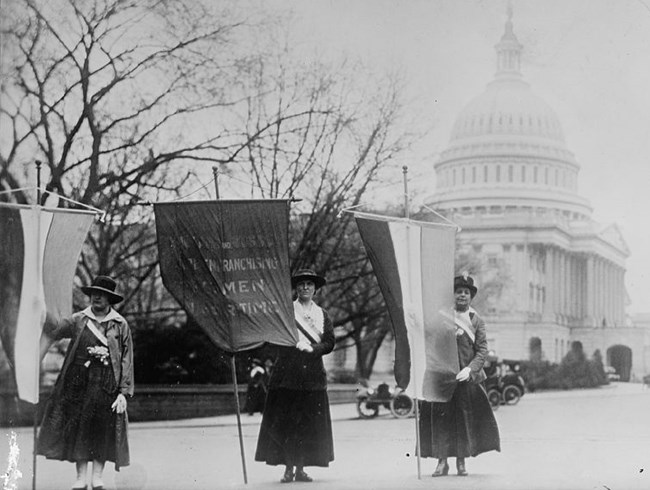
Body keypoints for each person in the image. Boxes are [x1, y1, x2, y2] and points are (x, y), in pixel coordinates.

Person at [38, 275, 133, 490]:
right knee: (79, 428)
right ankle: (81, 478)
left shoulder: (120, 324)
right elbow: (54, 330)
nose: (96, 298)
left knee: (101, 429)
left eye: (102, 295)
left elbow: (127, 359)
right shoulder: (79, 320)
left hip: (107, 383)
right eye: (94, 294)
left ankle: (97, 478)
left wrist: (123, 392)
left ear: (110, 299)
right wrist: (41, 311)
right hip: (78, 383)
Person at [255, 268, 335, 483]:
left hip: (313, 379)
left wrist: (314, 349)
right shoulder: (286, 313)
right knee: (288, 425)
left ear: (315, 289)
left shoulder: (323, 315)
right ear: (296, 289)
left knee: (307, 426)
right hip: (288, 377)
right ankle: (288, 468)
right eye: (301, 285)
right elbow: (273, 338)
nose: (305, 288)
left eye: (309, 284)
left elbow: (329, 342)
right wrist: (293, 344)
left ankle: (301, 469)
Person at [418, 274, 500, 477]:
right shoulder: (441, 316)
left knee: (464, 420)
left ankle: (461, 463)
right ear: (453, 295)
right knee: (441, 420)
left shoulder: (476, 320)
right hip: (442, 378)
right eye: (458, 292)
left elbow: (482, 350)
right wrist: (413, 319)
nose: (462, 295)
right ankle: (441, 462)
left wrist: (470, 369)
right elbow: (428, 335)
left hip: (465, 379)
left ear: (471, 297)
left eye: (466, 292)